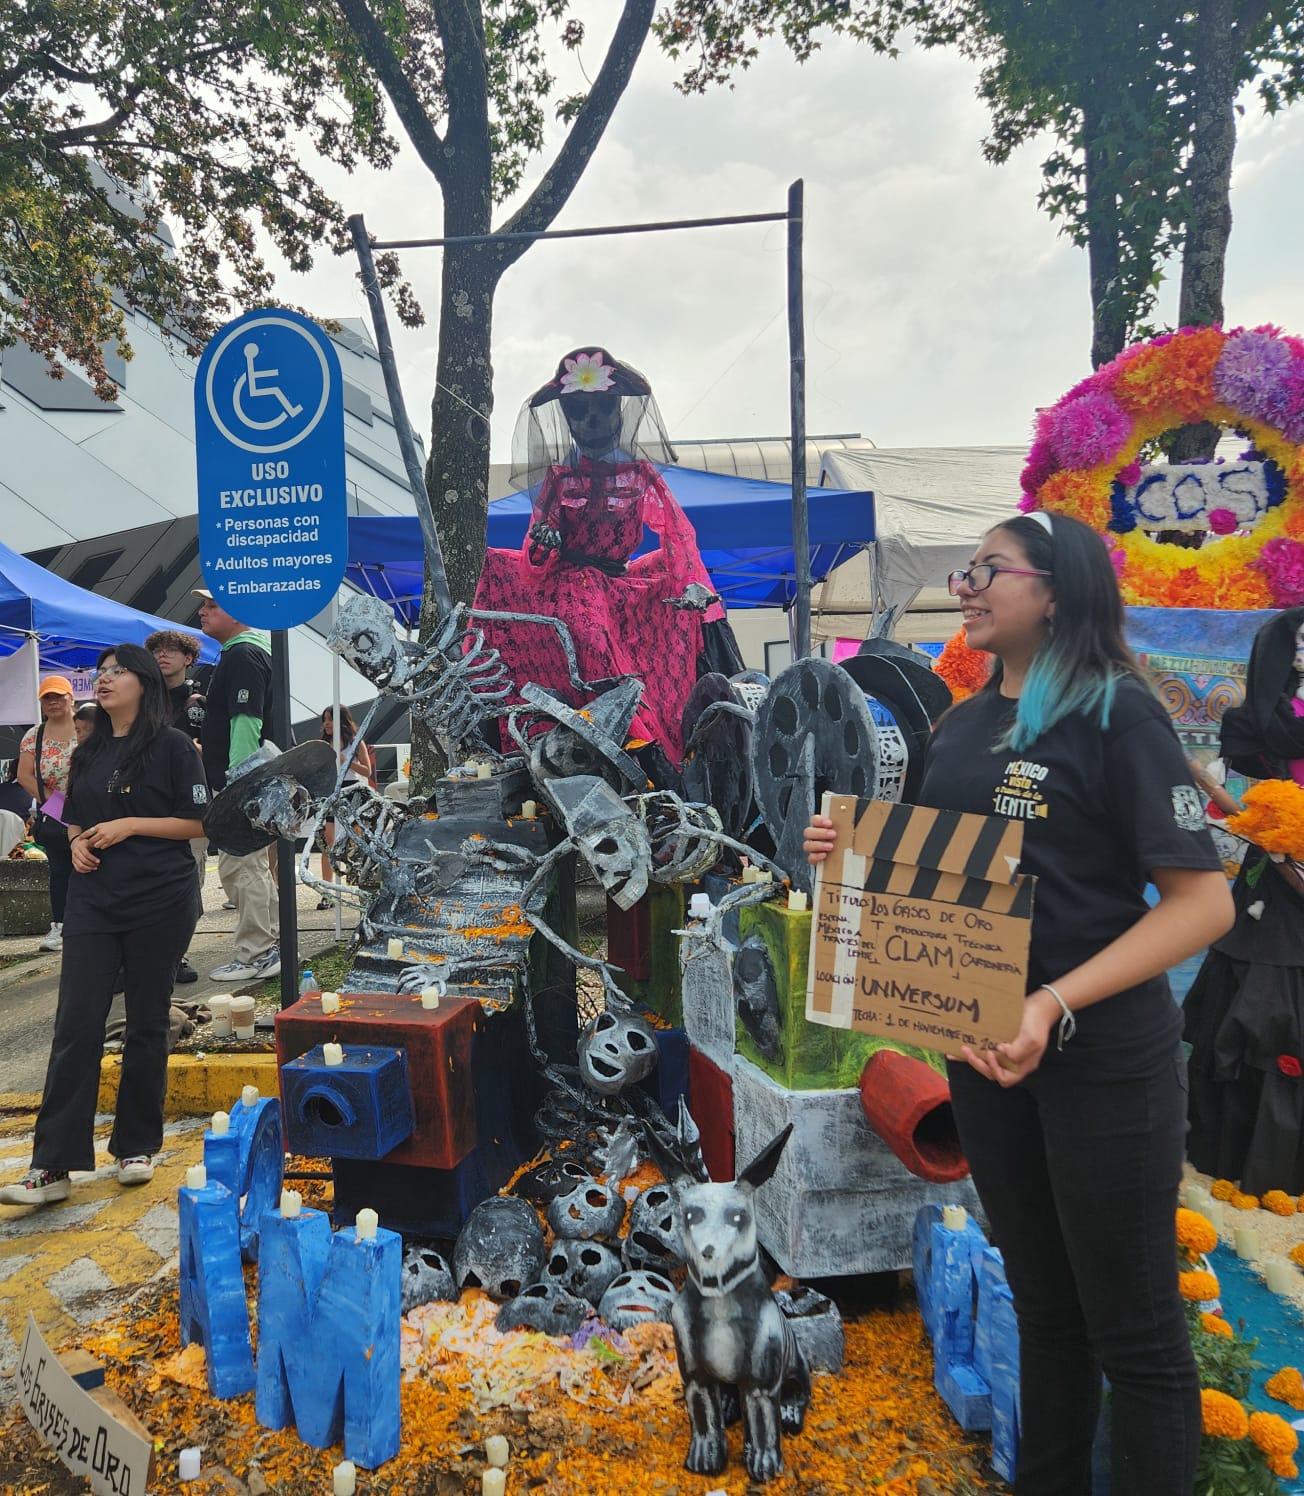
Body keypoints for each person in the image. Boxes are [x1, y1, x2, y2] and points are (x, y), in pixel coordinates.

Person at [803, 511, 1232, 1496]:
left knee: (1136, 1335)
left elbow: (1199, 902)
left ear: (1054, 586)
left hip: (1101, 1065)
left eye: (986, 569)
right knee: (1043, 1308)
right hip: (987, 1059)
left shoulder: (1115, 712)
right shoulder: (957, 724)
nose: (963, 586)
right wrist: (847, 856)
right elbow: (936, 875)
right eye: (963, 570)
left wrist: (1050, 1002)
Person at [0, 644, 209, 1206]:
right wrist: (74, 839)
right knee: (76, 1024)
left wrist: (127, 826)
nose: (105, 679)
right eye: (101, 673)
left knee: (146, 1021)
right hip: (92, 900)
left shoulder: (172, 747)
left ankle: (136, 1145)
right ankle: (52, 1164)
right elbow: (62, 808)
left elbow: (196, 821)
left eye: (117, 672)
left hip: (159, 898)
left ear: (143, 682)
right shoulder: (87, 750)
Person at [472, 348, 741, 768]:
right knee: (578, 624)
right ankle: (526, 720)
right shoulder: (560, 480)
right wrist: (546, 542)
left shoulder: (640, 476)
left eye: (602, 407)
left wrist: (695, 588)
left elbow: (677, 533)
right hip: (569, 581)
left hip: (619, 582)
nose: (591, 420)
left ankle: (648, 740)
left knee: (664, 598)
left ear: (619, 411)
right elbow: (534, 555)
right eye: (579, 410)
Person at [1184, 608, 1304, 1195]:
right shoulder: (1256, 727)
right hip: (1270, 899)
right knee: (1252, 1027)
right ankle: (1233, 1163)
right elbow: (1253, 816)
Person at [194, 588, 280, 982]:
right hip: (246, 778)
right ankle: (266, 948)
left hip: (241, 780)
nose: (203, 611)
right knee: (250, 866)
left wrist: (237, 782)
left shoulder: (244, 653)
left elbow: (246, 720)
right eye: (205, 605)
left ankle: (257, 953)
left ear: (239, 612)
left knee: (241, 866)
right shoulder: (243, 652)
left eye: (213, 606)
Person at [147, 627, 210, 984]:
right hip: (147, 804)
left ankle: (176, 954)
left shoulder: (200, 704)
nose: (163, 655)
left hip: (187, 806)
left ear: (189, 658)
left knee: (190, 882)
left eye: (172, 650)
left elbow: (212, 749)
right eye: (157, 650)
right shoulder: (143, 700)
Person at [18, 677, 79, 953]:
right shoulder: (34, 735)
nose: (53, 702)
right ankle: (60, 925)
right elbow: (24, 776)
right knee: (60, 868)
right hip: (54, 808)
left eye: (59, 696)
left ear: (71, 698)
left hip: (94, 804)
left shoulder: (90, 725)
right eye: (47, 698)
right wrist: (56, 805)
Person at [315, 705, 374, 907]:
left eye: (330, 719)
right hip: (330, 791)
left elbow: (367, 771)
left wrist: (346, 761)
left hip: (352, 792)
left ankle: (360, 888)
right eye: (325, 720)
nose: (327, 724)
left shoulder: (355, 743)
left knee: (354, 843)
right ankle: (327, 892)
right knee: (328, 843)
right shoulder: (322, 744)